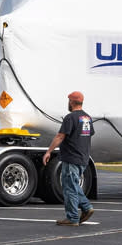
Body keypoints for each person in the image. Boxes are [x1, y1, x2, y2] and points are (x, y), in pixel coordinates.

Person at [43, 91, 95, 226]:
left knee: (69, 188)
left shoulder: (70, 118)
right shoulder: (87, 118)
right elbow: (89, 135)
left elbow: (60, 136)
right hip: (83, 157)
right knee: (73, 185)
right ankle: (85, 207)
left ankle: (73, 217)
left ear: (71, 102)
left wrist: (49, 151)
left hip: (71, 157)